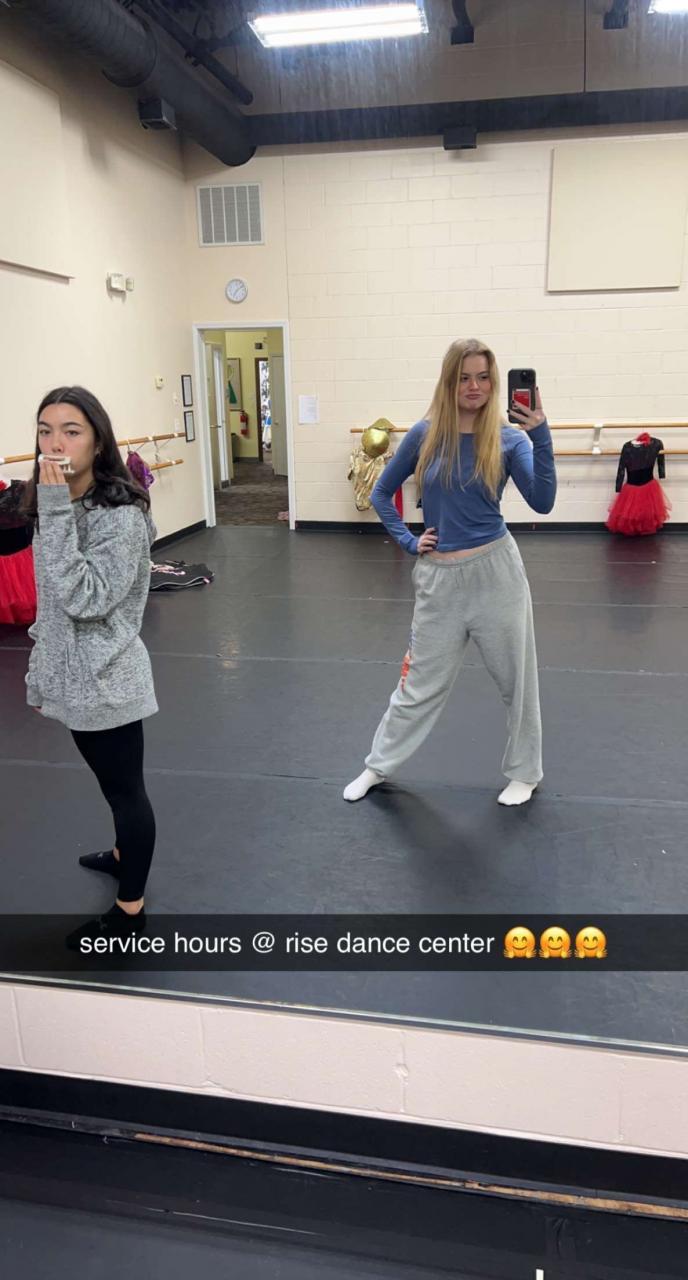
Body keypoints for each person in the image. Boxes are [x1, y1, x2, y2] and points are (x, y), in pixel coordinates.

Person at [343, 338, 556, 808]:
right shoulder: (425, 434)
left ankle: (526, 772)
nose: (474, 386)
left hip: (496, 575)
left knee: (517, 682)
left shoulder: (508, 438)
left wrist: (540, 435)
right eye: (464, 378)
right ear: (448, 382)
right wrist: (408, 540)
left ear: (494, 383)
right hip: (438, 580)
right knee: (417, 684)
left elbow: (543, 501)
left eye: (482, 377)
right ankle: (378, 765)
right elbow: (381, 493)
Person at [22, 386, 158, 946]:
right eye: (45, 430)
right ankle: (124, 854)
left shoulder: (119, 518)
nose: (55, 443)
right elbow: (52, 602)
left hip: (108, 682)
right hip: (75, 676)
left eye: (71, 431)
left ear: (97, 441)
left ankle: (131, 910)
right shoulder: (60, 504)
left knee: (126, 793)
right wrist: (43, 669)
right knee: (111, 786)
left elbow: (85, 598)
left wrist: (53, 506)